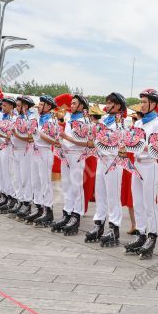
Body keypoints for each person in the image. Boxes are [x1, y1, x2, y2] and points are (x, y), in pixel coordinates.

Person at [125, 89, 158, 257]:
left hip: (150, 164)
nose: (141, 105)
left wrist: (138, 145)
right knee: (138, 201)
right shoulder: (138, 123)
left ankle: (152, 235)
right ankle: (141, 233)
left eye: (144, 102)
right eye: (141, 101)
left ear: (153, 104)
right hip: (137, 163)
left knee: (149, 202)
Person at [85, 92, 127, 246]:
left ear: (118, 106)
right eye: (107, 103)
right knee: (101, 194)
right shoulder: (105, 121)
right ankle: (99, 225)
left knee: (112, 196)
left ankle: (114, 228)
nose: (106, 106)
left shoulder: (120, 123)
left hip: (113, 161)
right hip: (101, 160)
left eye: (110, 103)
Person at [52, 94, 91, 236]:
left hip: (77, 155)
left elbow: (86, 142)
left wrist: (65, 137)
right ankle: (67, 212)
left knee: (76, 186)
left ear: (81, 106)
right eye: (72, 103)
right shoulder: (69, 118)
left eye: (74, 103)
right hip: (66, 153)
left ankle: (76, 215)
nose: (71, 105)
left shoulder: (84, 121)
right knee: (67, 185)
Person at [26, 95, 58, 226]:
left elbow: (54, 141)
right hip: (35, 150)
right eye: (39, 104)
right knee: (35, 181)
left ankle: (48, 210)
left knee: (45, 182)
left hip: (45, 151)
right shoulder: (37, 118)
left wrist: (38, 133)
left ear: (48, 106)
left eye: (41, 104)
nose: (39, 106)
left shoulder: (52, 120)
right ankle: (39, 208)